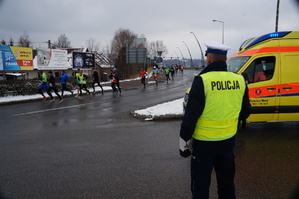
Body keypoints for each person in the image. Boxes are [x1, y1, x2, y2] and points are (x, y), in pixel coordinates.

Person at [179, 41, 251, 199]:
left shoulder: (202, 81)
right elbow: (246, 112)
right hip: (227, 143)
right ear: (225, 60)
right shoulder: (240, 80)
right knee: (226, 185)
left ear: (209, 59)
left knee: (201, 186)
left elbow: (191, 116)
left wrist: (184, 142)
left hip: (204, 145)